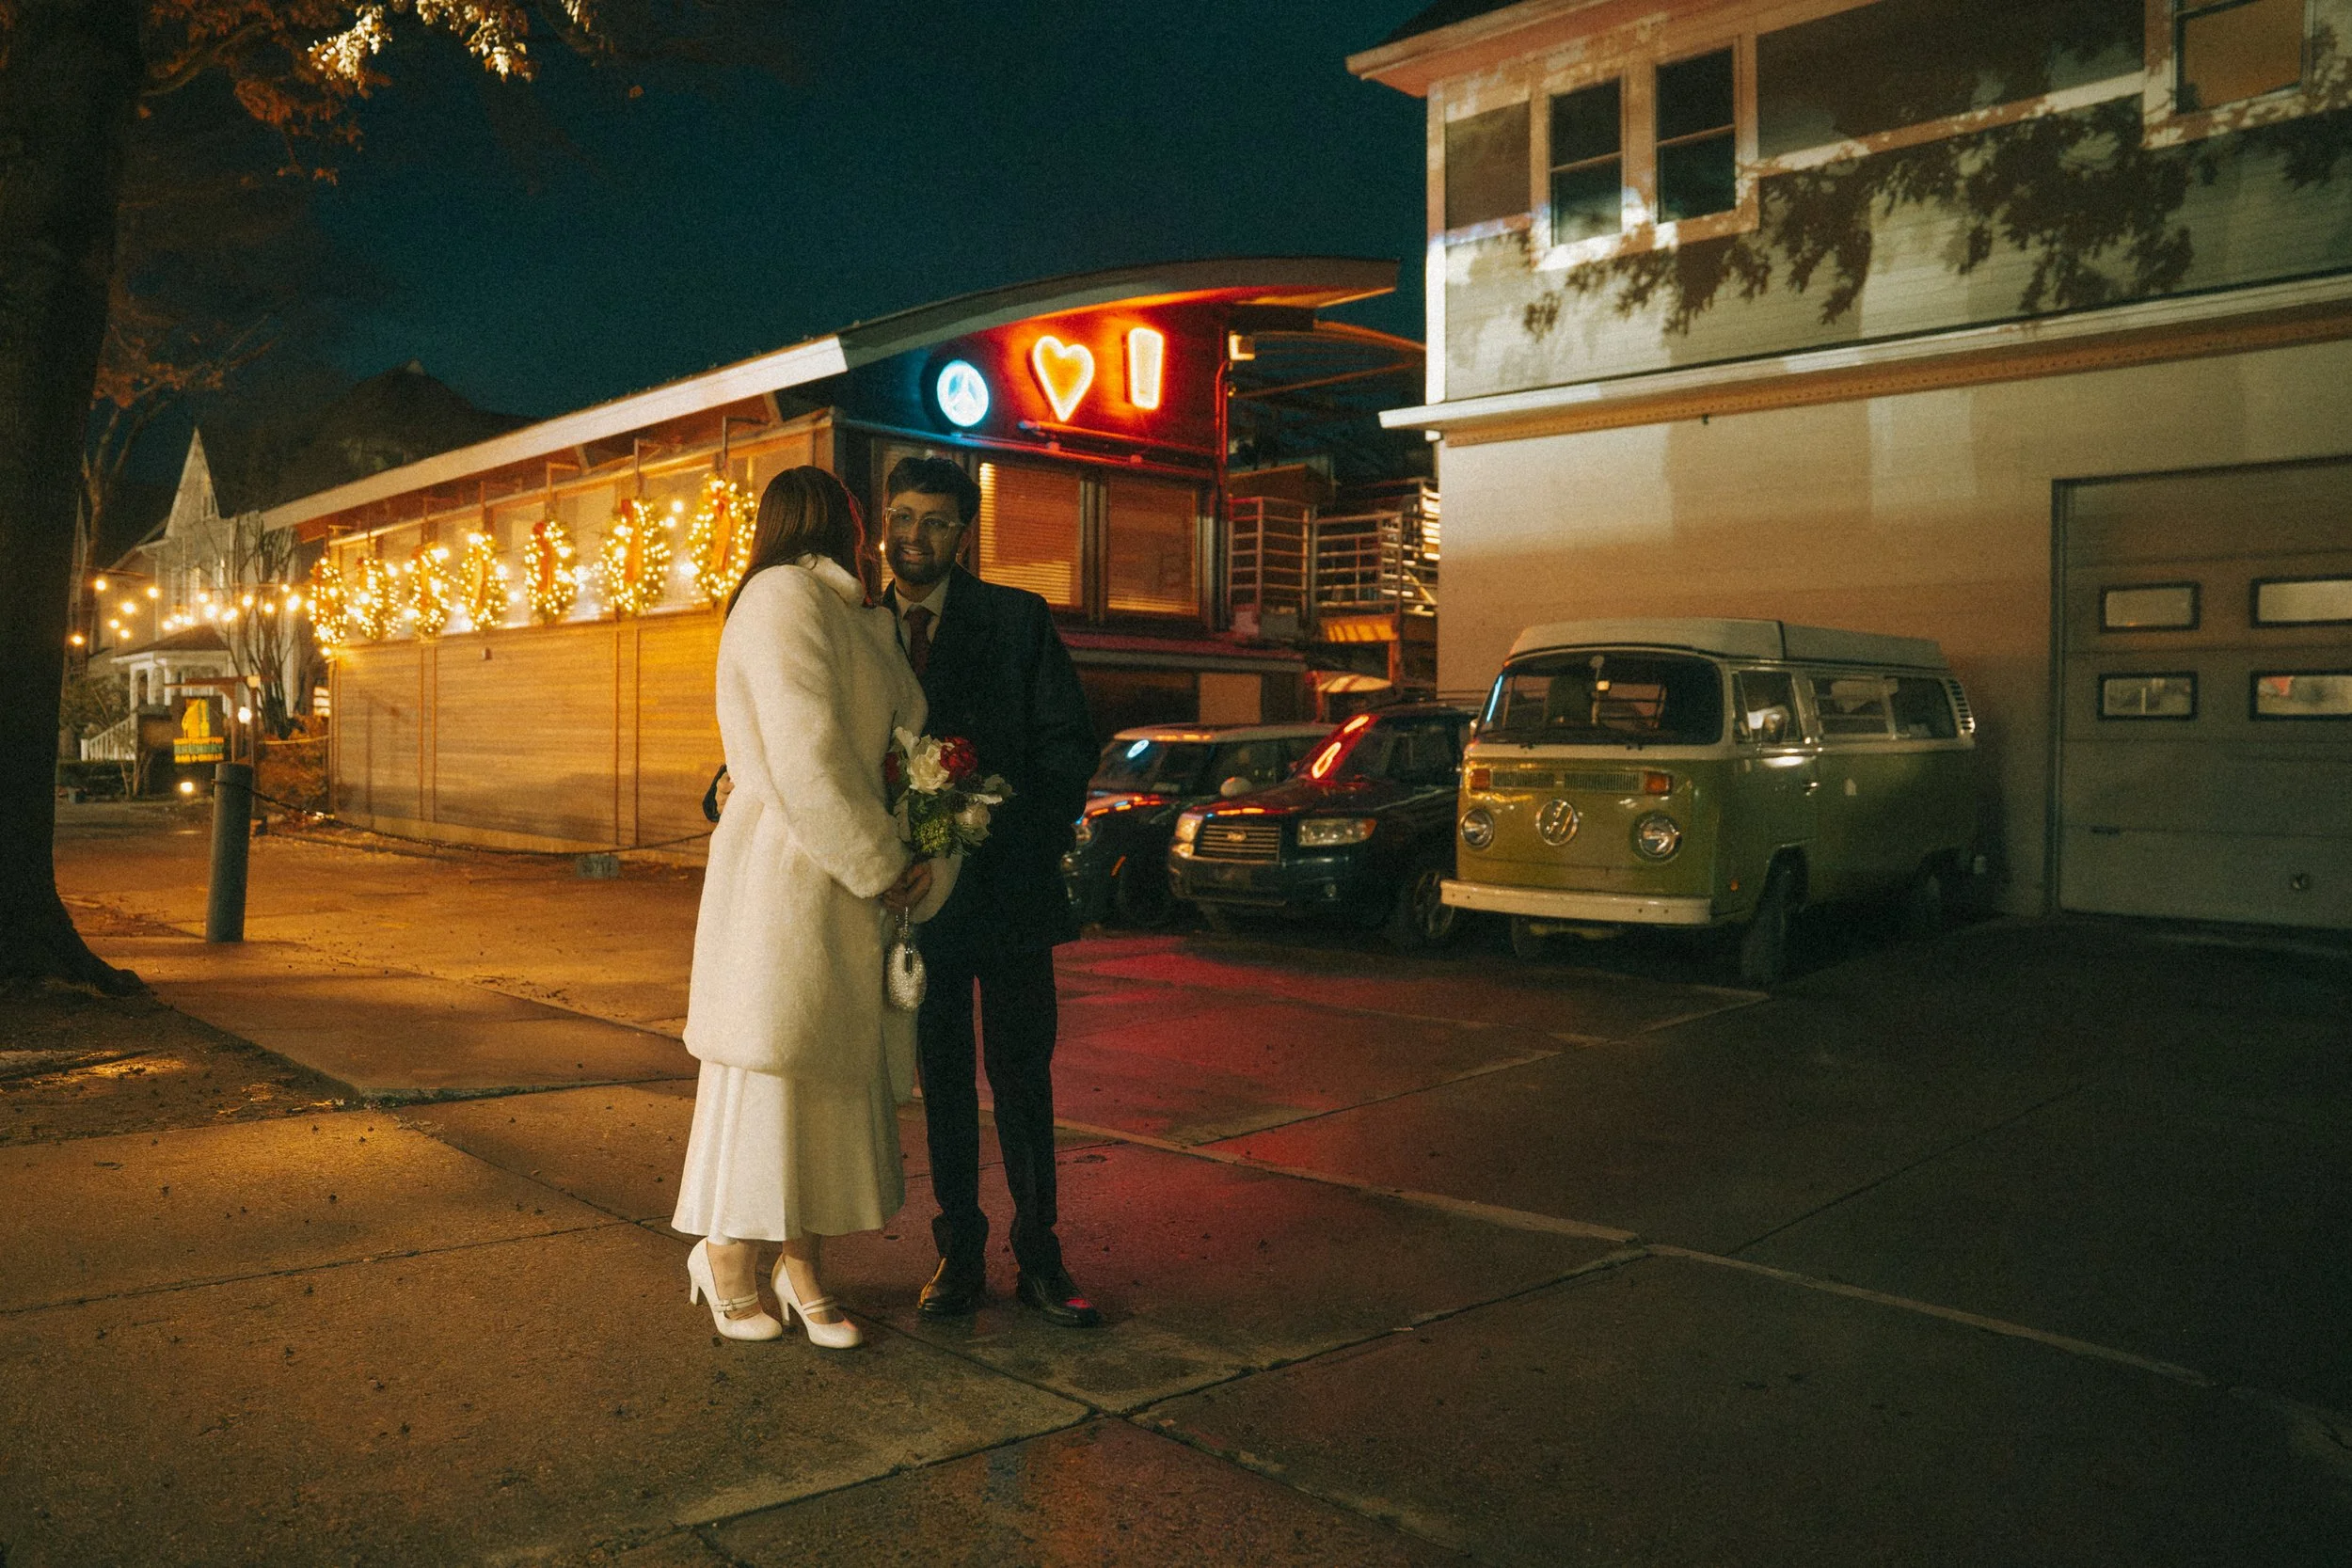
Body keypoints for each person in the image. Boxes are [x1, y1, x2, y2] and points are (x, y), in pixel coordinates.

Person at [672, 466, 934, 1348]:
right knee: (772, 1076)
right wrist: (881, 859)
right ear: (839, 519)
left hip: (844, 885)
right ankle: (726, 1255)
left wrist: (919, 841)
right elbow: (802, 756)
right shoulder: (782, 598)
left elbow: (902, 744)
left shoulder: (857, 615)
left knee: (826, 1086)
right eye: (860, 516)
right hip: (784, 881)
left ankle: (802, 1264)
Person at [877, 455, 1102, 1326]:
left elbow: (1066, 748)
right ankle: (958, 1254)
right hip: (912, 909)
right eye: (903, 516)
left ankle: (1041, 1255)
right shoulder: (861, 627)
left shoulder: (1016, 619)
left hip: (1009, 897)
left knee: (1021, 1081)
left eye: (935, 521)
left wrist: (987, 834)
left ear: (963, 535)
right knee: (941, 1083)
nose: (915, 536)